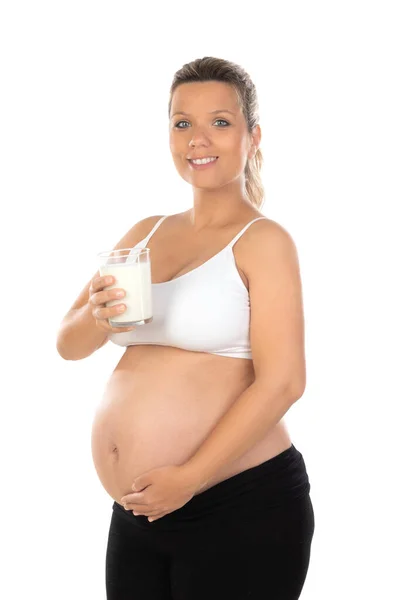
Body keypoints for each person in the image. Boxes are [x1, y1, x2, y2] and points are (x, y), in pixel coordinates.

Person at [57, 56, 315, 600]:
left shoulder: (264, 241)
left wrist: (190, 478)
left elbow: (284, 382)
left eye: (220, 122)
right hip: (140, 515)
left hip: (239, 505)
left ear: (253, 136)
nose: (199, 139)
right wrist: (98, 316)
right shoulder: (146, 232)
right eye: (182, 123)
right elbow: (69, 343)